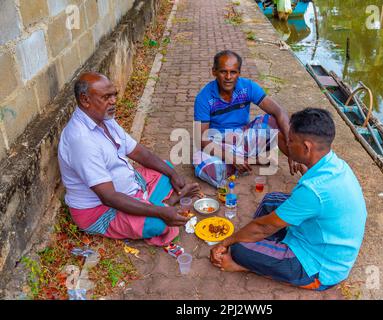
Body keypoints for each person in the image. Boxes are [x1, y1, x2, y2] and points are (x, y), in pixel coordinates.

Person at [210, 108, 367, 290]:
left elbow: (264, 226)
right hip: (320, 235)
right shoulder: (335, 164)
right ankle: (263, 244)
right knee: (271, 200)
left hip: (320, 267)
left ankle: (249, 263)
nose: (287, 143)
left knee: (239, 249)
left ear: (307, 148)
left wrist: (226, 242)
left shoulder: (314, 190)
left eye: (291, 141)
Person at [58, 72, 201, 257]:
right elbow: (108, 197)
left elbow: (140, 152)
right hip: (101, 210)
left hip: (130, 185)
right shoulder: (81, 140)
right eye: (106, 97)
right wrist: (161, 213)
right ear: (85, 100)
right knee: (159, 224)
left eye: (114, 95)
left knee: (165, 167)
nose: (113, 101)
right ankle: (164, 205)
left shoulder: (105, 120)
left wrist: (173, 174)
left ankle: (161, 204)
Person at [193, 50, 300, 187]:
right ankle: (247, 160)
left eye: (233, 72)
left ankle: (242, 161)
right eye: (223, 72)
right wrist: (230, 157)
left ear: (239, 73)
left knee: (274, 121)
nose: (228, 77)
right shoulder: (204, 98)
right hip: (219, 142)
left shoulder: (247, 87)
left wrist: (292, 151)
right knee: (205, 165)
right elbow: (202, 139)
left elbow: (279, 111)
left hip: (243, 137)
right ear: (214, 72)